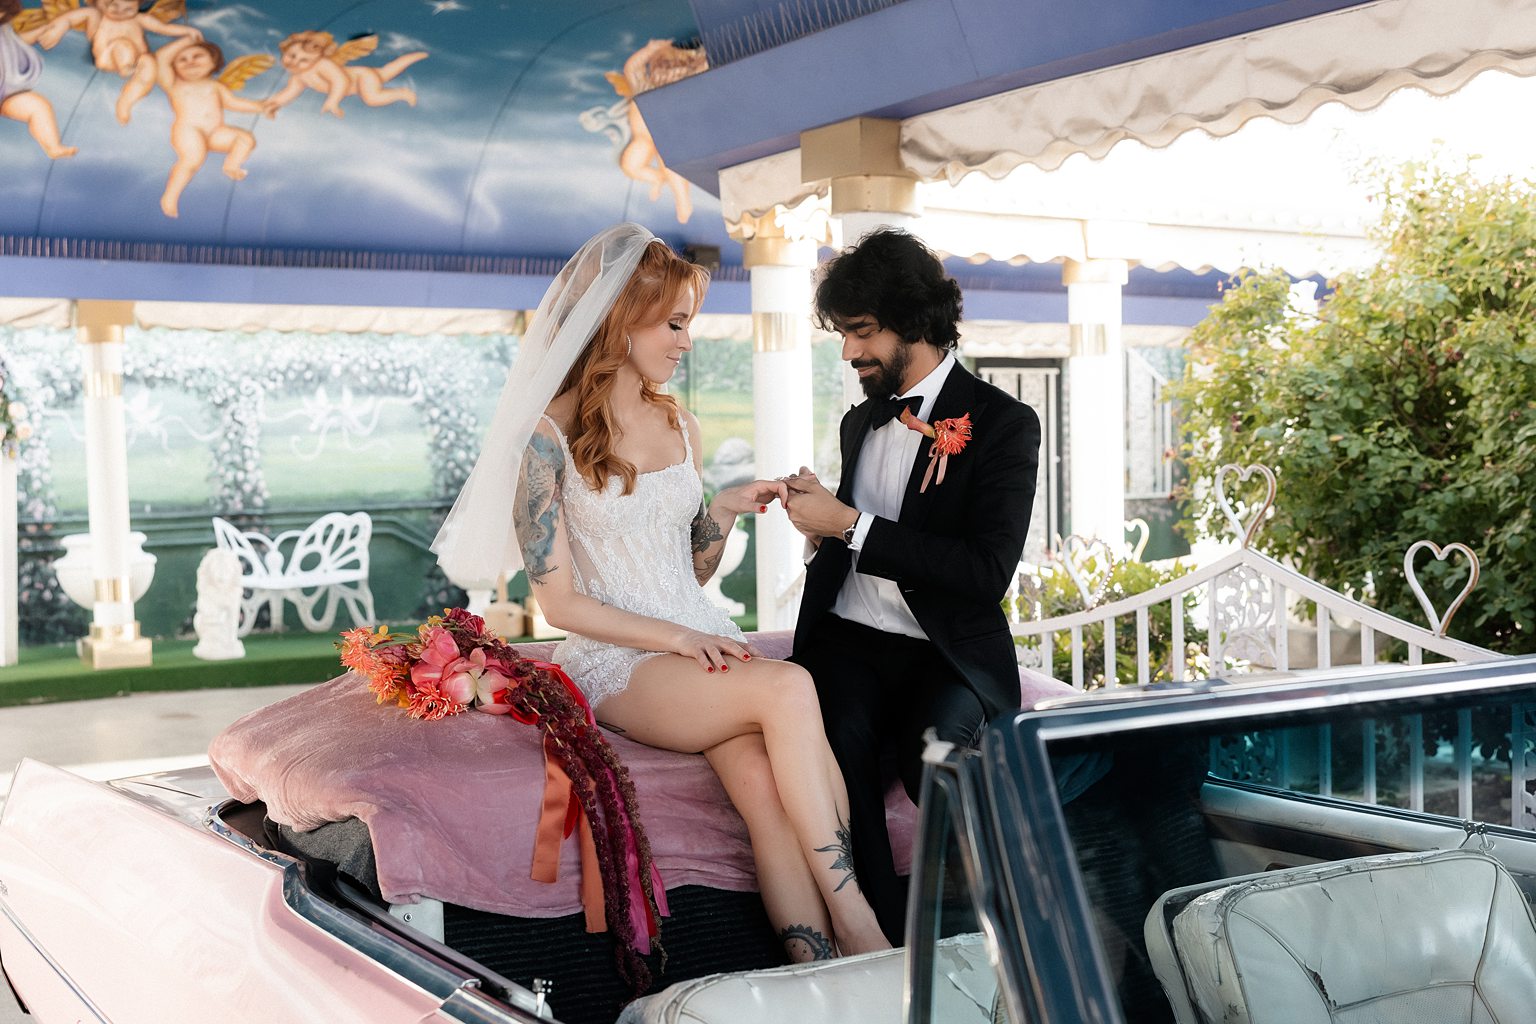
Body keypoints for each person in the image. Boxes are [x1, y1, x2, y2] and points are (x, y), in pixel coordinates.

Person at [432, 223, 889, 962]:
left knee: (762, 787)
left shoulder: (681, 423)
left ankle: (817, 968)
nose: (686, 341)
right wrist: (680, 637)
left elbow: (685, 575)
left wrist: (725, 511)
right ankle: (860, 922)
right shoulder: (546, 441)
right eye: (674, 324)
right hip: (617, 662)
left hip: (696, 643)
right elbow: (560, 606)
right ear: (622, 320)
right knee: (790, 686)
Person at [783, 228, 1041, 942]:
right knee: (835, 751)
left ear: (916, 321)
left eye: (862, 331)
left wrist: (850, 524)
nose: (848, 352)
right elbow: (851, 537)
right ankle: (881, 944)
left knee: (937, 763)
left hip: (944, 650)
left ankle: (1013, 936)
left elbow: (985, 573)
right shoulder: (858, 422)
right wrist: (820, 527)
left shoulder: (1004, 423)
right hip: (848, 641)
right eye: (843, 334)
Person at [0, 0, 77, 158]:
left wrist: (43, 30)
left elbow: (17, 43)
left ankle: (53, 147)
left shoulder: (4, 30)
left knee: (39, 106)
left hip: (7, 94)